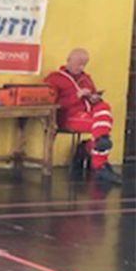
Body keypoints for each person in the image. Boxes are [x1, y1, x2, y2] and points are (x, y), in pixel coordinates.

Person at [44, 49, 122, 184]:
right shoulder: (55, 78)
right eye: (78, 64)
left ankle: (93, 150)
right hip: (68, 116)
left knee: (104, 109)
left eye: (84, 64)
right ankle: (97, 162)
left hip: (88, 114)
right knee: (102, 129)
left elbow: (95, 101)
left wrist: (94, 98)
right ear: (68, 60)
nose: (81, 68)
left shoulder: (86, 79)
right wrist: (76, 96)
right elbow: (52, 102)